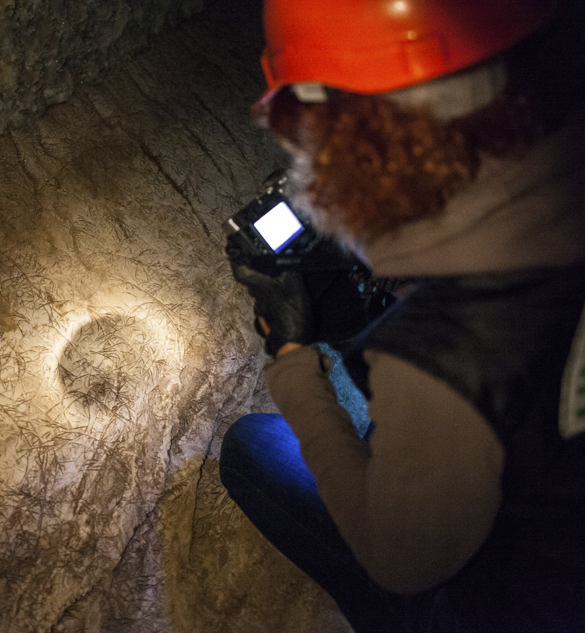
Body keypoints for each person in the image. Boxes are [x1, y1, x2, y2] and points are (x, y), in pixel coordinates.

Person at [219, 0, 585, 631]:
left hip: (522, 603)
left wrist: (291, 358)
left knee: (251, 449)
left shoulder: (446, 361)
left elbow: (400, 562)